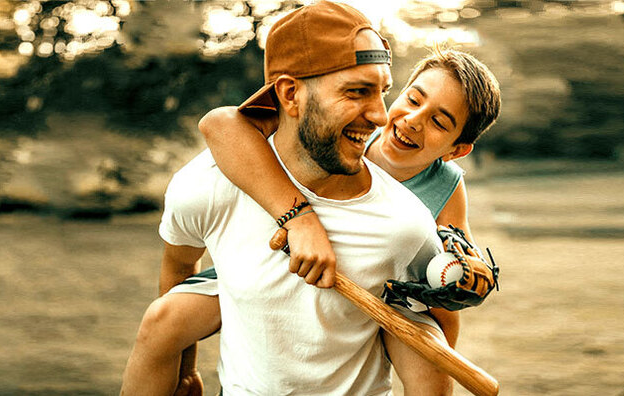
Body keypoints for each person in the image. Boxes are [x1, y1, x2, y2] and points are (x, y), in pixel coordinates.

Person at [123, 2, 471, 394]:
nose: (380, 116)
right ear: (290, 94)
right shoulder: (206, 184)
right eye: (357, 92)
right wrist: (185, 371)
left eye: (382, 91)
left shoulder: (406, 222)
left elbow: (438, 327)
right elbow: (178, 267)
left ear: (457, 148)